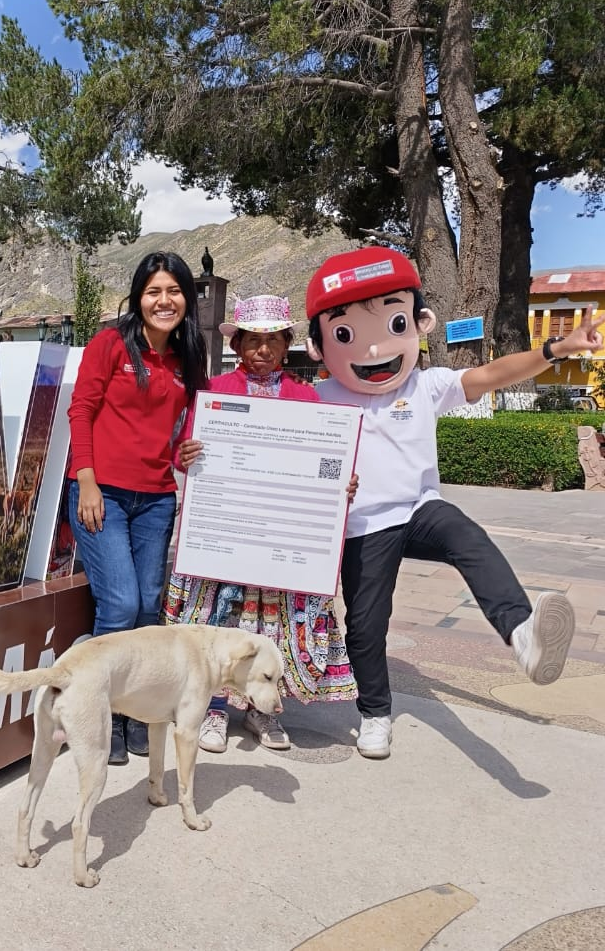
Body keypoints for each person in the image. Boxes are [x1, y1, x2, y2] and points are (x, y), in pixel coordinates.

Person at [305, 246, 604, 759]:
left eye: (394, 323)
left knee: (468, 536)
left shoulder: (426, 385)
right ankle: (375, 714)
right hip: (362, 527)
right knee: (366, 626)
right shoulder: (318, 396)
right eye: (347, 335)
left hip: (419, 510)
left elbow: (491, 375)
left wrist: (557, 349)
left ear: (420, 324)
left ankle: (521, 631)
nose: (375, 349)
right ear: (318, 347)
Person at [169, 295, 358, 754]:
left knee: (269, 627)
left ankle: (263, 710)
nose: (262, 350)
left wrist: (340, 487)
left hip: (277, 539)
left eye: (272, 340)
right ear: (238, 344)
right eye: (253, 340)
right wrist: (185, 454)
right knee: (218, 621)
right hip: (226, 534)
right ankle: (213, 708)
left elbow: (324, 463)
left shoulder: (305, 397)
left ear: (286, 344)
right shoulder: (214, 393)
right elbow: (181, 449)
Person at [67, 251, 209, 765]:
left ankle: (131, 716)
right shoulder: (109, 344)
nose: (163, 300)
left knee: (151, 608)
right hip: (100, 491)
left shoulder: (186, 360)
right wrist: (86, 483)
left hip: (155, 498)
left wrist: (185, 452)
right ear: (138, 296)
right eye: (154, 291)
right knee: (122, 604)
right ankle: (97, 717)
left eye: (173, 291)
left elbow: (181, 431)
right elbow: (80, 411)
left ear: (187, 300)